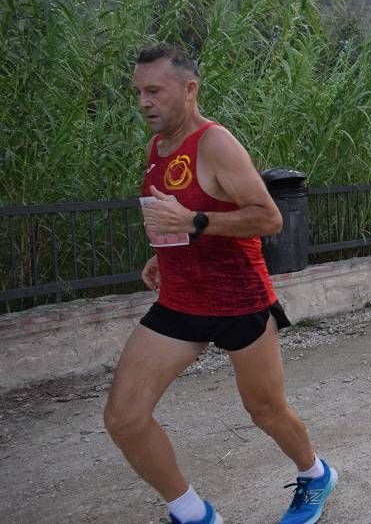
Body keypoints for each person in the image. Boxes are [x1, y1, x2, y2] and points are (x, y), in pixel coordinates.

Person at [104, 44, 337, 524]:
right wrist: (163, 251)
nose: (144, 102)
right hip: (180, 301)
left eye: (154, 91)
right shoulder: (158, 147)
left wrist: (194, 222)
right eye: (138, 93)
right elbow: (186, 216)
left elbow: (268, 218)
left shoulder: (215, 143)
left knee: (266, 411)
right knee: (124, 417)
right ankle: (193, 514)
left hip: (238, 302)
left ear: (189, 90)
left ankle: (315, 475)